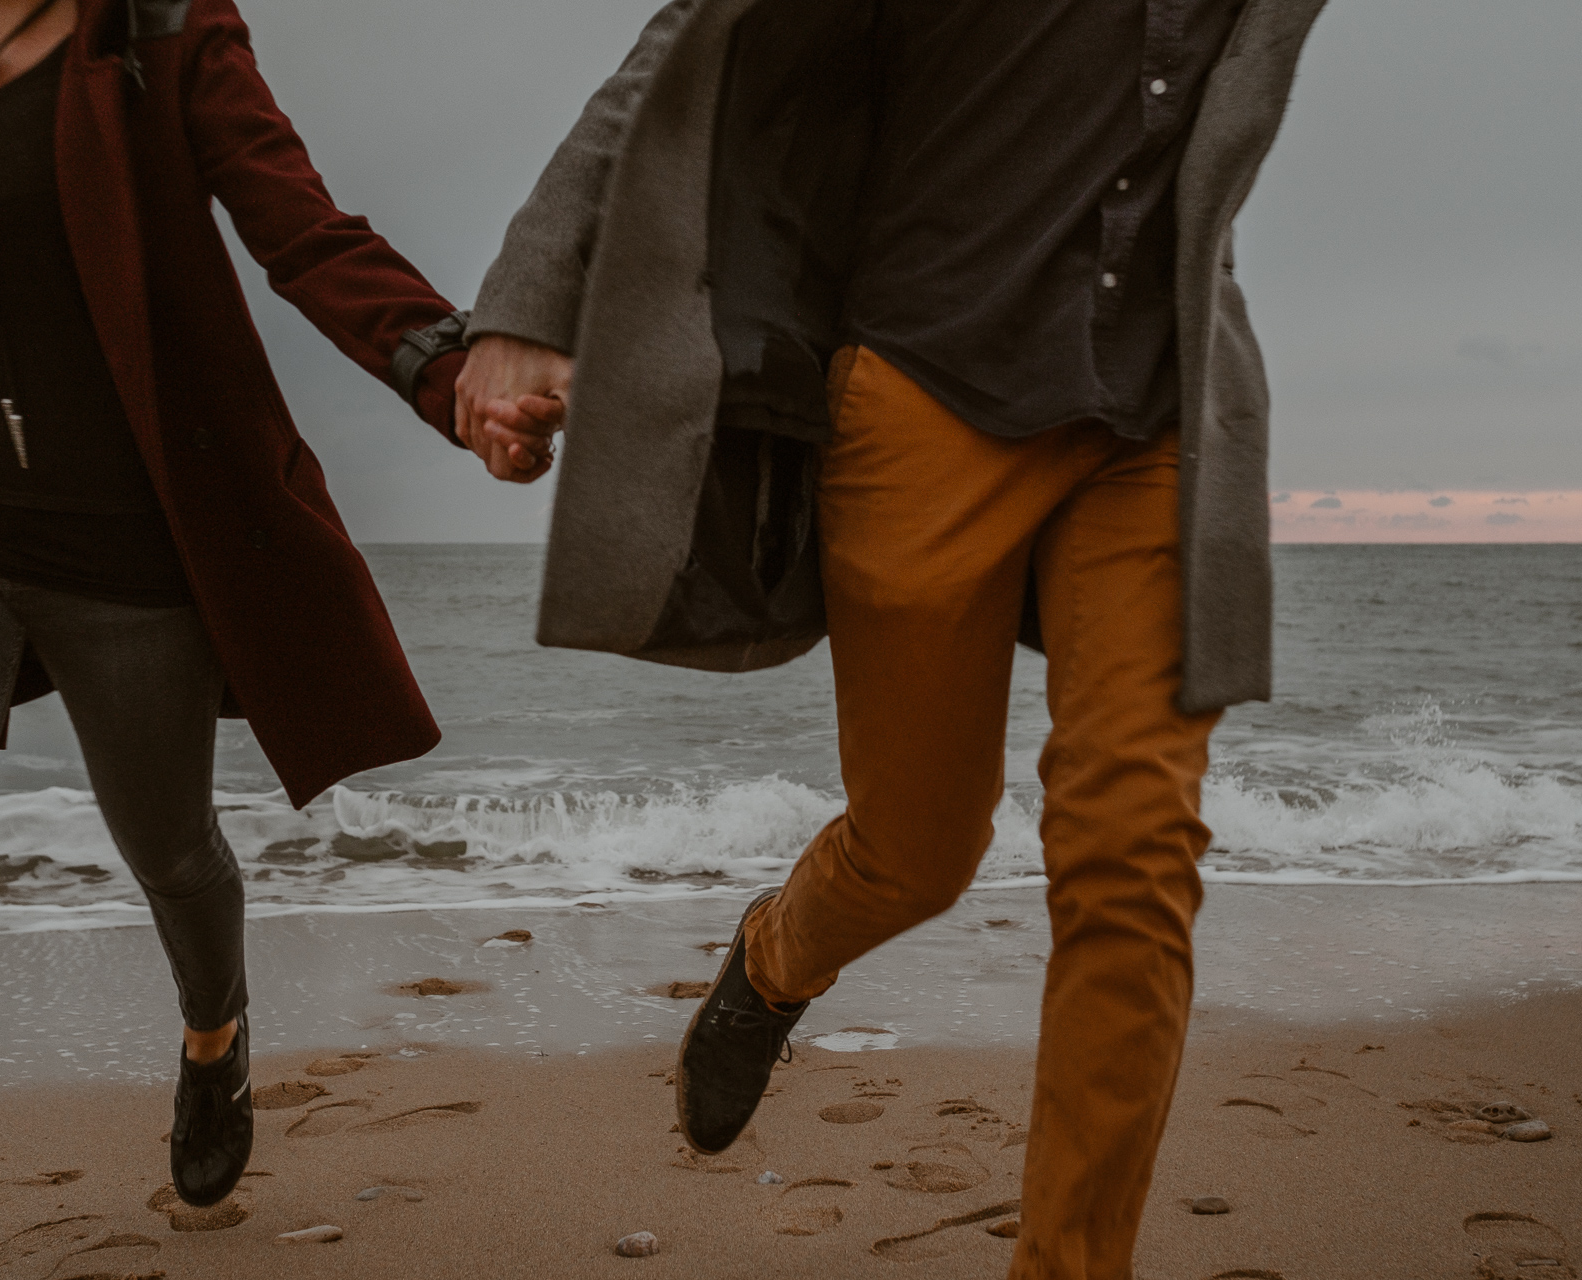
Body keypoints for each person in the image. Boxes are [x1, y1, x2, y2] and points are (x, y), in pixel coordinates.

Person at [453, 1, 1326, 1275]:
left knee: (1134, 851)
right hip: (925, 386)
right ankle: (773, 954)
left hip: (1159, 413)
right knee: (918, 851)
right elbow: (693, 47)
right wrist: (529, 295)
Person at [0, 0, 557, 1275]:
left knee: (171, 847)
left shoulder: (161, 27)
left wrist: (444, 371)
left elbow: (299, 224)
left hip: (121, 526)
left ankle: (213, 1025)